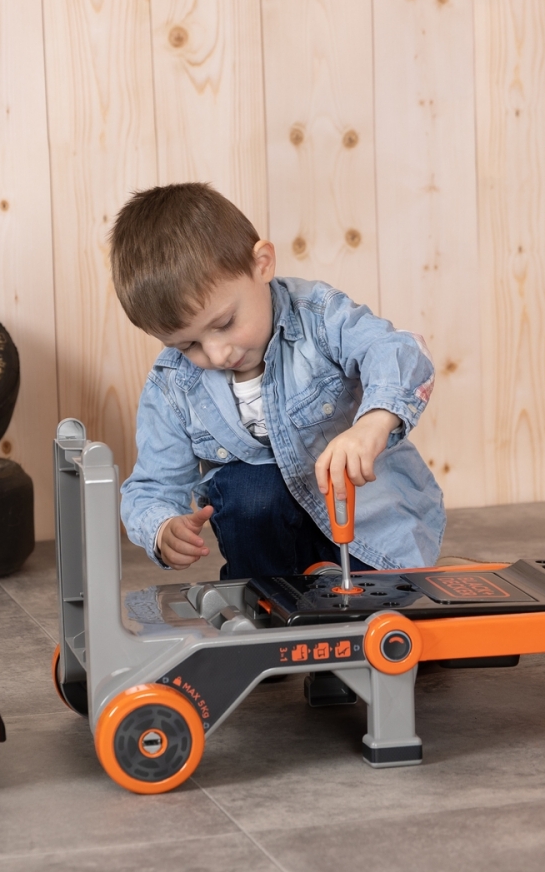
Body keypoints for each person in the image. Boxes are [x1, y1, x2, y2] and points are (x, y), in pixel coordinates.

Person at [112, 182, 444, 580]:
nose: (216, 354)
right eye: (188, 345)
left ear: (262, 264)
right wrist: (163, 528)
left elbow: (397, 350)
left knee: (388, 602)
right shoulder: (173, 385)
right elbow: (151, 486)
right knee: (247, 488)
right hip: (271, 553)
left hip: (372, 531)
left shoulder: (318, 317)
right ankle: (270, 601)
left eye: (225, 323)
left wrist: (373, 423)